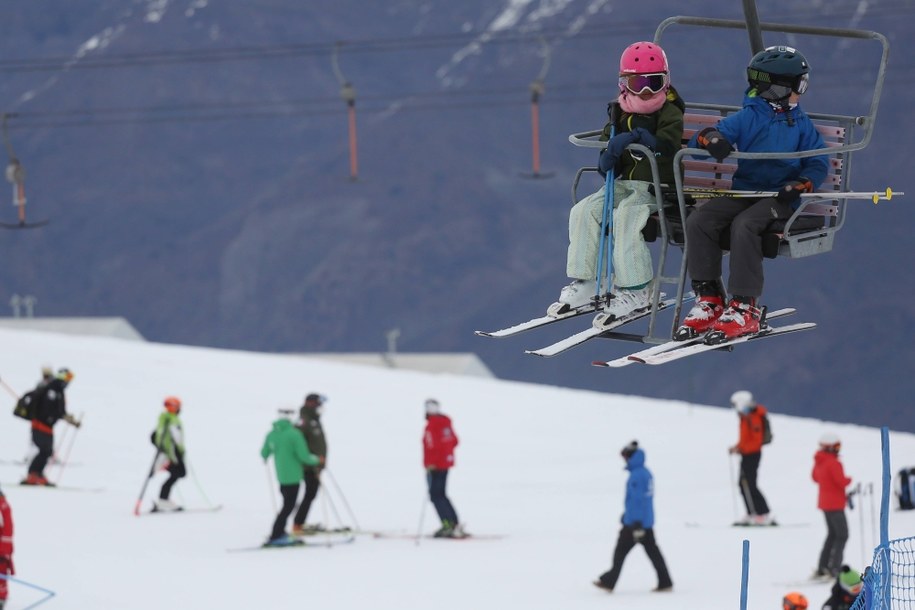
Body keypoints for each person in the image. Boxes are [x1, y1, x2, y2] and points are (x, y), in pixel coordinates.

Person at [677, 45, 829, 343]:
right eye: (800, 85)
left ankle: (745, 306)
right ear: (777, 88)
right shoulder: (750, 117)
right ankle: (709, 298)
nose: (802, 92)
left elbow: (818, 162)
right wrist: (713, 140)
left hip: (780, 201)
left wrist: (801, 185)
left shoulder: (800, 123)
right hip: (744, 193)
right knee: (700, 219)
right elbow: (706, 134)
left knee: (745, 225)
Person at [553, 41, 685, 324]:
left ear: (666, 81)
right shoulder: (619, 113)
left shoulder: (670, 112)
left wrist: (639, 139)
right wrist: (609, 154)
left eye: (654, 82)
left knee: (626, 216)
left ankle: (638, 289)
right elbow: (606, 164)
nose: (647, 91)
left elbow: (668, 149)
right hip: (625, 185)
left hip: (658, 186)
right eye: (638, 83)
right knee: (584, 211)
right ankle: (589, 281)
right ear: (625, 84)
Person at [595, 441, 673, 593]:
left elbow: (638, 501)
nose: (624, 459)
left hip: (636, 524)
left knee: (621, 552)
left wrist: (635, 521)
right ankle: (665, 581)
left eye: (625, 456)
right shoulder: (645, 472)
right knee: (653, 552)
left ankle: (609, 581)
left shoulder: (637, 476)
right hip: (644, 521)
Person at [261, 408, 321, 546]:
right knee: (288, 506)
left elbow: (264, 452)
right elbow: (304, 456)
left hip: (281, 477)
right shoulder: (294, 434)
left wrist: (266, 456)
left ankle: (279, 532)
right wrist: (317, 460)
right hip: (293, 477)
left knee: (287, 504)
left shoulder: (272, 434)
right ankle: (276, 534)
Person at [22, 368, 80, 486]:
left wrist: (70, 420)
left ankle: (37, 474)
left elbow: (59, 411)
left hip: (46, 426)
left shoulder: (58, 391)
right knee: (45, 451)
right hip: (40, 425)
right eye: (68, 378)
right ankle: (33, 475)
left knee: (47, 451)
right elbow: (49, 410)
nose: (68, 382)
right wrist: (60, 416)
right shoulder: (51, 390)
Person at [729, 390, 773, 525]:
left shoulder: (753, 417)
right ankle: (751, 513)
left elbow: (756, 441)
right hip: (746, 454)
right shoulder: (745, 417)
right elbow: (745, 439)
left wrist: (742, 449)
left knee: (750, 484)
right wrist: (738, 447)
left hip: (752, 455)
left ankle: (762, 513)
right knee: (744, 484)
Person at [423, 398, 464, 538]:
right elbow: (454, 441)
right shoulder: (445, 423)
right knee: (441, 494)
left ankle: (448, 524)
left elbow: (432, 446)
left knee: (436, 495)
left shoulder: (432, 425)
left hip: (436, 466)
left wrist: (432, 462)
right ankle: (454, 523)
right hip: (445, 463)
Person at [812, 433, 852, 579]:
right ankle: (834, 568)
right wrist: (849, 480)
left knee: (832, 535)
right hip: (835, 504)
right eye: (836, 446)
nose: (838, 449)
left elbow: (815, 478)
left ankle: (823, 566)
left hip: (825, 504)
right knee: (842, 535)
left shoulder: (820, 461)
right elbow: (841, 481)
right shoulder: (834, 463)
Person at [291, 393, 328, 535]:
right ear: (312, 404)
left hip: (316, 465)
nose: (321, 407)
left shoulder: (313, 420)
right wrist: (311, 461)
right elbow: (298, 444)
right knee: (310, 494)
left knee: (311, 494)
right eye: (319, 404)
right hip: (309, 466)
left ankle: (299, 523)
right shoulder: (304, 421)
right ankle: (298, 524)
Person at [152, 396, 186, 512]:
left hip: (168, 451)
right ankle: (163, 500)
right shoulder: (170, 419)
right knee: (179, 472)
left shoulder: (166, 418)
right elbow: (176, 437)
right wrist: (179, 451)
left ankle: (163, 499)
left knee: (178, 473)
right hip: (171, 452)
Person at [0, 485, 13, 610]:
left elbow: (8, 523)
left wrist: (4, 549)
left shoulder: (3, 505)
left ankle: (1, 597)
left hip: (1, 547)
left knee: (1, 570)